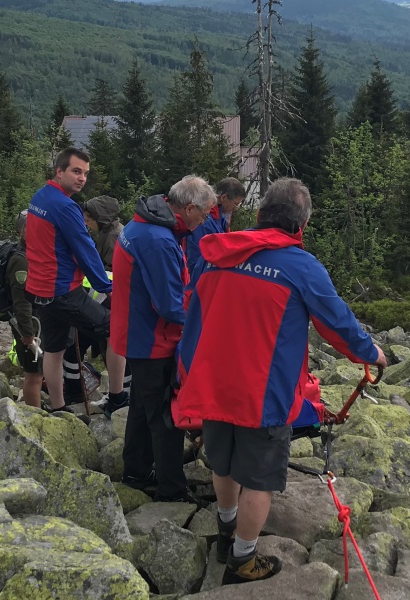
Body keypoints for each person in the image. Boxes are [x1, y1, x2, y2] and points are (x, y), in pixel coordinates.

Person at [174, 178, 387, 585]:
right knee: (259, 479)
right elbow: (337, 324)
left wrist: (189, 375)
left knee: (224, 462)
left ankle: (225, 529)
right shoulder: (301, 266)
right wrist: (372, 354)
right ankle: (242, 560)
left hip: (214, 382)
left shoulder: (220, 253)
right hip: (263, 393)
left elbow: (193, 317)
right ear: (300, 225)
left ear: (259, 215)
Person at [110, 175, 216, 502]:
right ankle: (172, 489)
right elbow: (170, 306)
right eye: (204, 214)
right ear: (188, 208)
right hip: (153, 339)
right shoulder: (159, 240)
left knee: (142, 406)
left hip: (136, 332)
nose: (204, 222)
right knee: (167, 416)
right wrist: (204, 325)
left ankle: (136, 471)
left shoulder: (145, 224)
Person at [25, 147, 127, 413]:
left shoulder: (40, 197)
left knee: (54, 350)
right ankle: (118, 397)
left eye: (85, 173)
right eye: (76, 171)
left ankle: (59, 408)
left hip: (41, 289)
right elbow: (86, 251)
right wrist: (108, 288)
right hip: (63, 290)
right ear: (59, 171)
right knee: (116, 329)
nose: (82, 178)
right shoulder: (66, 207)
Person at [7, 210, 43, 408]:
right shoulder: (21, 260)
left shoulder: (33, 253)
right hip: (28, 324)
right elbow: (21, 301)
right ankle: (35, 415)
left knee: (39, 371)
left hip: (35, 320)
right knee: (33, 374)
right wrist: (28, 334)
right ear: (21, 230)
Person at [184, 177, 246, 275]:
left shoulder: (221, 218)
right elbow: (194, 257)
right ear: (224, 198)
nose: (235, 208)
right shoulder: (204, 220)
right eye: (235, 204)